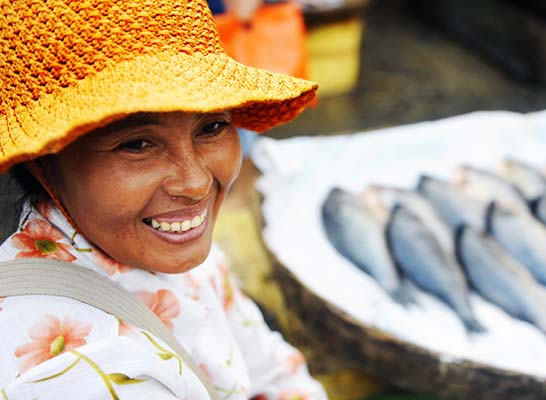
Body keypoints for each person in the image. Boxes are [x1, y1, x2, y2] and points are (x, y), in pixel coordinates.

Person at [0, 0, 324, 399]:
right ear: (41, 162)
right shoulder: (70, 371)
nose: (195, 183)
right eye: (137, 144)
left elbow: (275, 374)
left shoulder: (173, 249)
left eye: (212, 126)